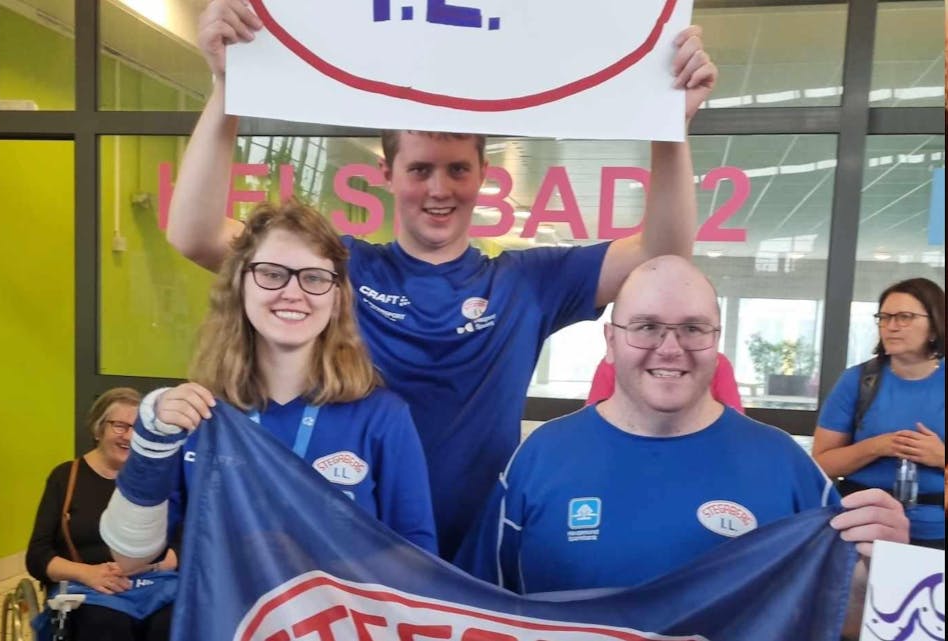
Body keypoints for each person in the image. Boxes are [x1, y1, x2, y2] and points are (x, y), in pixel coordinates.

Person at [164, 0, 717, 560]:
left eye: (457, 169)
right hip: (352, 555)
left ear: (483, 175)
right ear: (386, 174)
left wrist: (671, 128)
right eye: (420, 169)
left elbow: (663, 253)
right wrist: (225, 90)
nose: (439, 189)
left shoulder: (528, 283)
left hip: (480, 559)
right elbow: (196, 233)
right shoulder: (341, 267)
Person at [456, 255, 908, 638]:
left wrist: (886, 572)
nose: (670, 348)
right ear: (610, 342)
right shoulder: (539, 458)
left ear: (716, 342)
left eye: (693, 329)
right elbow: (474, 611)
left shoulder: (786, 465)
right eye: (647, 326)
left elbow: (844, 619)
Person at [100, 199, 437, 569]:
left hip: (336, 626)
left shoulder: (381, 418)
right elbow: (130, 558)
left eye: (314, 277)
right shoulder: (199, 415)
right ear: (239, 285)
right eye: (272, 273)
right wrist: (152, 442)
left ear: (337, 297)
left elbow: (417, 564)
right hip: (223, 626)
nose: (293, 292)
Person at [25, 387, 176, 641]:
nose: (129, 436)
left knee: (173, 622)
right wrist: (88, 574)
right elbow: (38, 555)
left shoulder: (158, 480)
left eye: (138, 428)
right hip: (87, 587)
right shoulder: (65, 477)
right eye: (119, 426)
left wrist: (143, 565)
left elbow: (183, 546)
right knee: (106, 624)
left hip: (153, 582)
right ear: (98, 428)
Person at [813, 277, 945, 549]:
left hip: (935, 536)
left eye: (904, 317)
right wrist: (877, 447)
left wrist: (939, 457)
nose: (891, 326)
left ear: (934, 327)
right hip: (860, 529)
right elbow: (822, 464)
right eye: (884, 317)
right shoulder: (858, 381)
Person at [586, 351, 743, 411]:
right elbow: (591, 427)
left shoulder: (716, 363)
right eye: (650, 326)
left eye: (690, 328)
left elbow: (737, 431)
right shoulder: (613, 363)